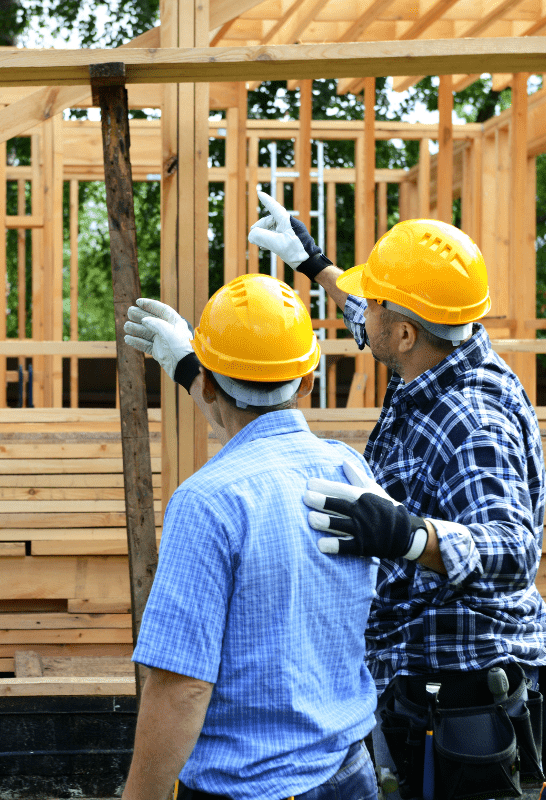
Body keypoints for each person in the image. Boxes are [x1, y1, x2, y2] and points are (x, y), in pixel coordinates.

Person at [128, 191, 546, 799]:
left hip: (463, 694)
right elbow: (342, 339)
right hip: (357, 744)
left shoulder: (473, 418)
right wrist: (314, 266)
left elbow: (515, 552)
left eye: (377, 303)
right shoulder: (423, 363)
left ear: (406, 332)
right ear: (308, 380)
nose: (363, 315)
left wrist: (411, 535)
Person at [121, 273, 380, 800]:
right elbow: (260, 432)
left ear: (210, 385)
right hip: (349, 773)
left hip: (251, 789)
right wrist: (188, 365)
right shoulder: (349, 470)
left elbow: (181, 688)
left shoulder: (208, 502)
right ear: (309, 380)